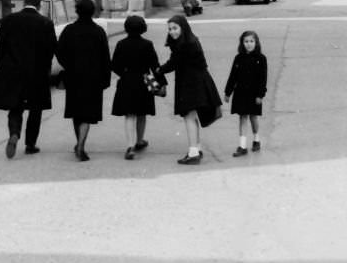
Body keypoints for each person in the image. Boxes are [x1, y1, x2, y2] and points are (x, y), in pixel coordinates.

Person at [0, 0, 57, 159]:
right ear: (39, 5)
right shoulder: (46, 23)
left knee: (15, 107)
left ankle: (14, 133)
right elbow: (51, 49)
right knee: (36, 110)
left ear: (24, 3)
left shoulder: (9, 20)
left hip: (13, 71)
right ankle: (30, 144)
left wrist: (5, 64)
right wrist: (47, 68)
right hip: (37, 73)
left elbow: (0, 44)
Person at [155, 13, 222, 165]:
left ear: (183, 27)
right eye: (170, 29)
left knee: (189, 117)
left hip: (192, 83)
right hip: (195, 82)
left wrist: (160, 70)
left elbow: (174, 63)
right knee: (192, 116)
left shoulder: (186, 44)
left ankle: (193, 153)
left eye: (175, 28)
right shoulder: (187, 41)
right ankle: (196, 149)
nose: (172, 32)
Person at [56, 0, 111, 161]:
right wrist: (105, 78)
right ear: (93, 11)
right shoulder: (99, 32)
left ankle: (78, 143)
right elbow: (105, 57)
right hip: (93, 78)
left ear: (77, 11)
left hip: (73, 76)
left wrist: (68, 65)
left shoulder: (69, 30)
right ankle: (81, 144)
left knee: (76, 112)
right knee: (88, 114)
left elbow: (59, 52)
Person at [110, 14, 160, 159]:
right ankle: (139, 140)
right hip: (145, 79)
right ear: (143, 28)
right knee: (142, 113)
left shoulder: (121, 44)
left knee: (129, 114)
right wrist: (160, 83)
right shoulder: (147, 44)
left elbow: (115, 65)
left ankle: (129, 146)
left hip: (127, 80)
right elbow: (154, 65)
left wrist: (124, 74)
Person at [224, 29, 268, 156]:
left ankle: (256, 140)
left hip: (254, 94)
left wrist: (260, 94)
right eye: (246, 41)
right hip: (241, 93)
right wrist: (228, 92)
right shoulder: (238, 58)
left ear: (256, 43)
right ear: (242, 43)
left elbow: (263, 78)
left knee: (253, 117)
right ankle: (242, 146)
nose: (249, 44)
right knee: (242, 117)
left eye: (251, 41)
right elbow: (233, 76)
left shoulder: (261, 58)